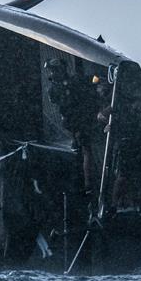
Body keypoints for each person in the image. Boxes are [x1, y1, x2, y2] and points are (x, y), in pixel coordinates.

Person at [45, 59, 103, 193]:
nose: (52, 74)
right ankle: (87, 184)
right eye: (52, 71)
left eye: (54, 70)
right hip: (75, 124)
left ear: (61, 70)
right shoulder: (56, 88)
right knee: (84, 151)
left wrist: (98, 79)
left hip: (81, 123)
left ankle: (87, 184)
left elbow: (93, 80)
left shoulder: (74, 81)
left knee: (84, 151)